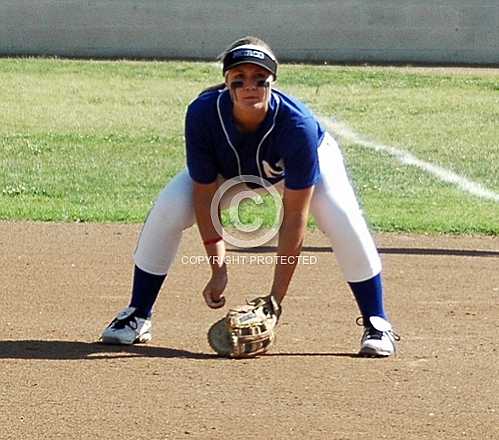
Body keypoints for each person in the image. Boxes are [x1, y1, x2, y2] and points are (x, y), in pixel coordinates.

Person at [100, 36, 399, 357]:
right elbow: (205, 196)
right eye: (239, 79)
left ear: (273, 82)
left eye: (260, 78)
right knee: (171, 206)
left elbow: (294, 217)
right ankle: (138, 313)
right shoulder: (203, 115)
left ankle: (376, 321)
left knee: (340, 215)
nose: (249, 86)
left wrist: (275, 301)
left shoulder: (298, 126)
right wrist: (218, 269)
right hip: (232, 173)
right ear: (226, 82)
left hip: (296, 170)